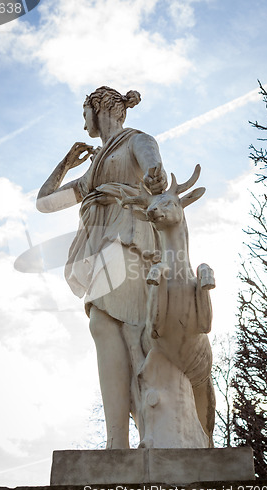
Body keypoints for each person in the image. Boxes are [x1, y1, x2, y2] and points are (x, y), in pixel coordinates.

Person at [37, 86, 167, 448]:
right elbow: (45, 203)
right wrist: (66, 163)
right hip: (99, 242)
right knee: (105, 327)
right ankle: (119, 442)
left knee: (131, 332)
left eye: (84, 115)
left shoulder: (136, 141)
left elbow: (156, 171)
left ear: (99, 107)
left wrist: (156, 178)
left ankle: (150, 435)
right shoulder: (94, 167)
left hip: (128, 234)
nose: (84, 126)